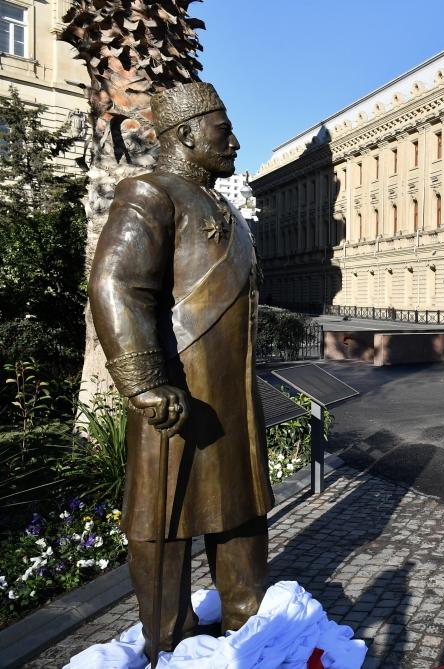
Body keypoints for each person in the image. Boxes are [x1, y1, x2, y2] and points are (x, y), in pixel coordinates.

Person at [88, 82, 273, 655]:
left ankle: (251, 622)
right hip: (176, 390)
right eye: (223, 131)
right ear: (187, 134)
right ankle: (167, 637)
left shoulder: (227, 210)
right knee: (163, 520)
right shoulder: (148, 193)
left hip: (233, 394)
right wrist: (144, 381)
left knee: (240, 508)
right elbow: (117, 283)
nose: (235, 142)